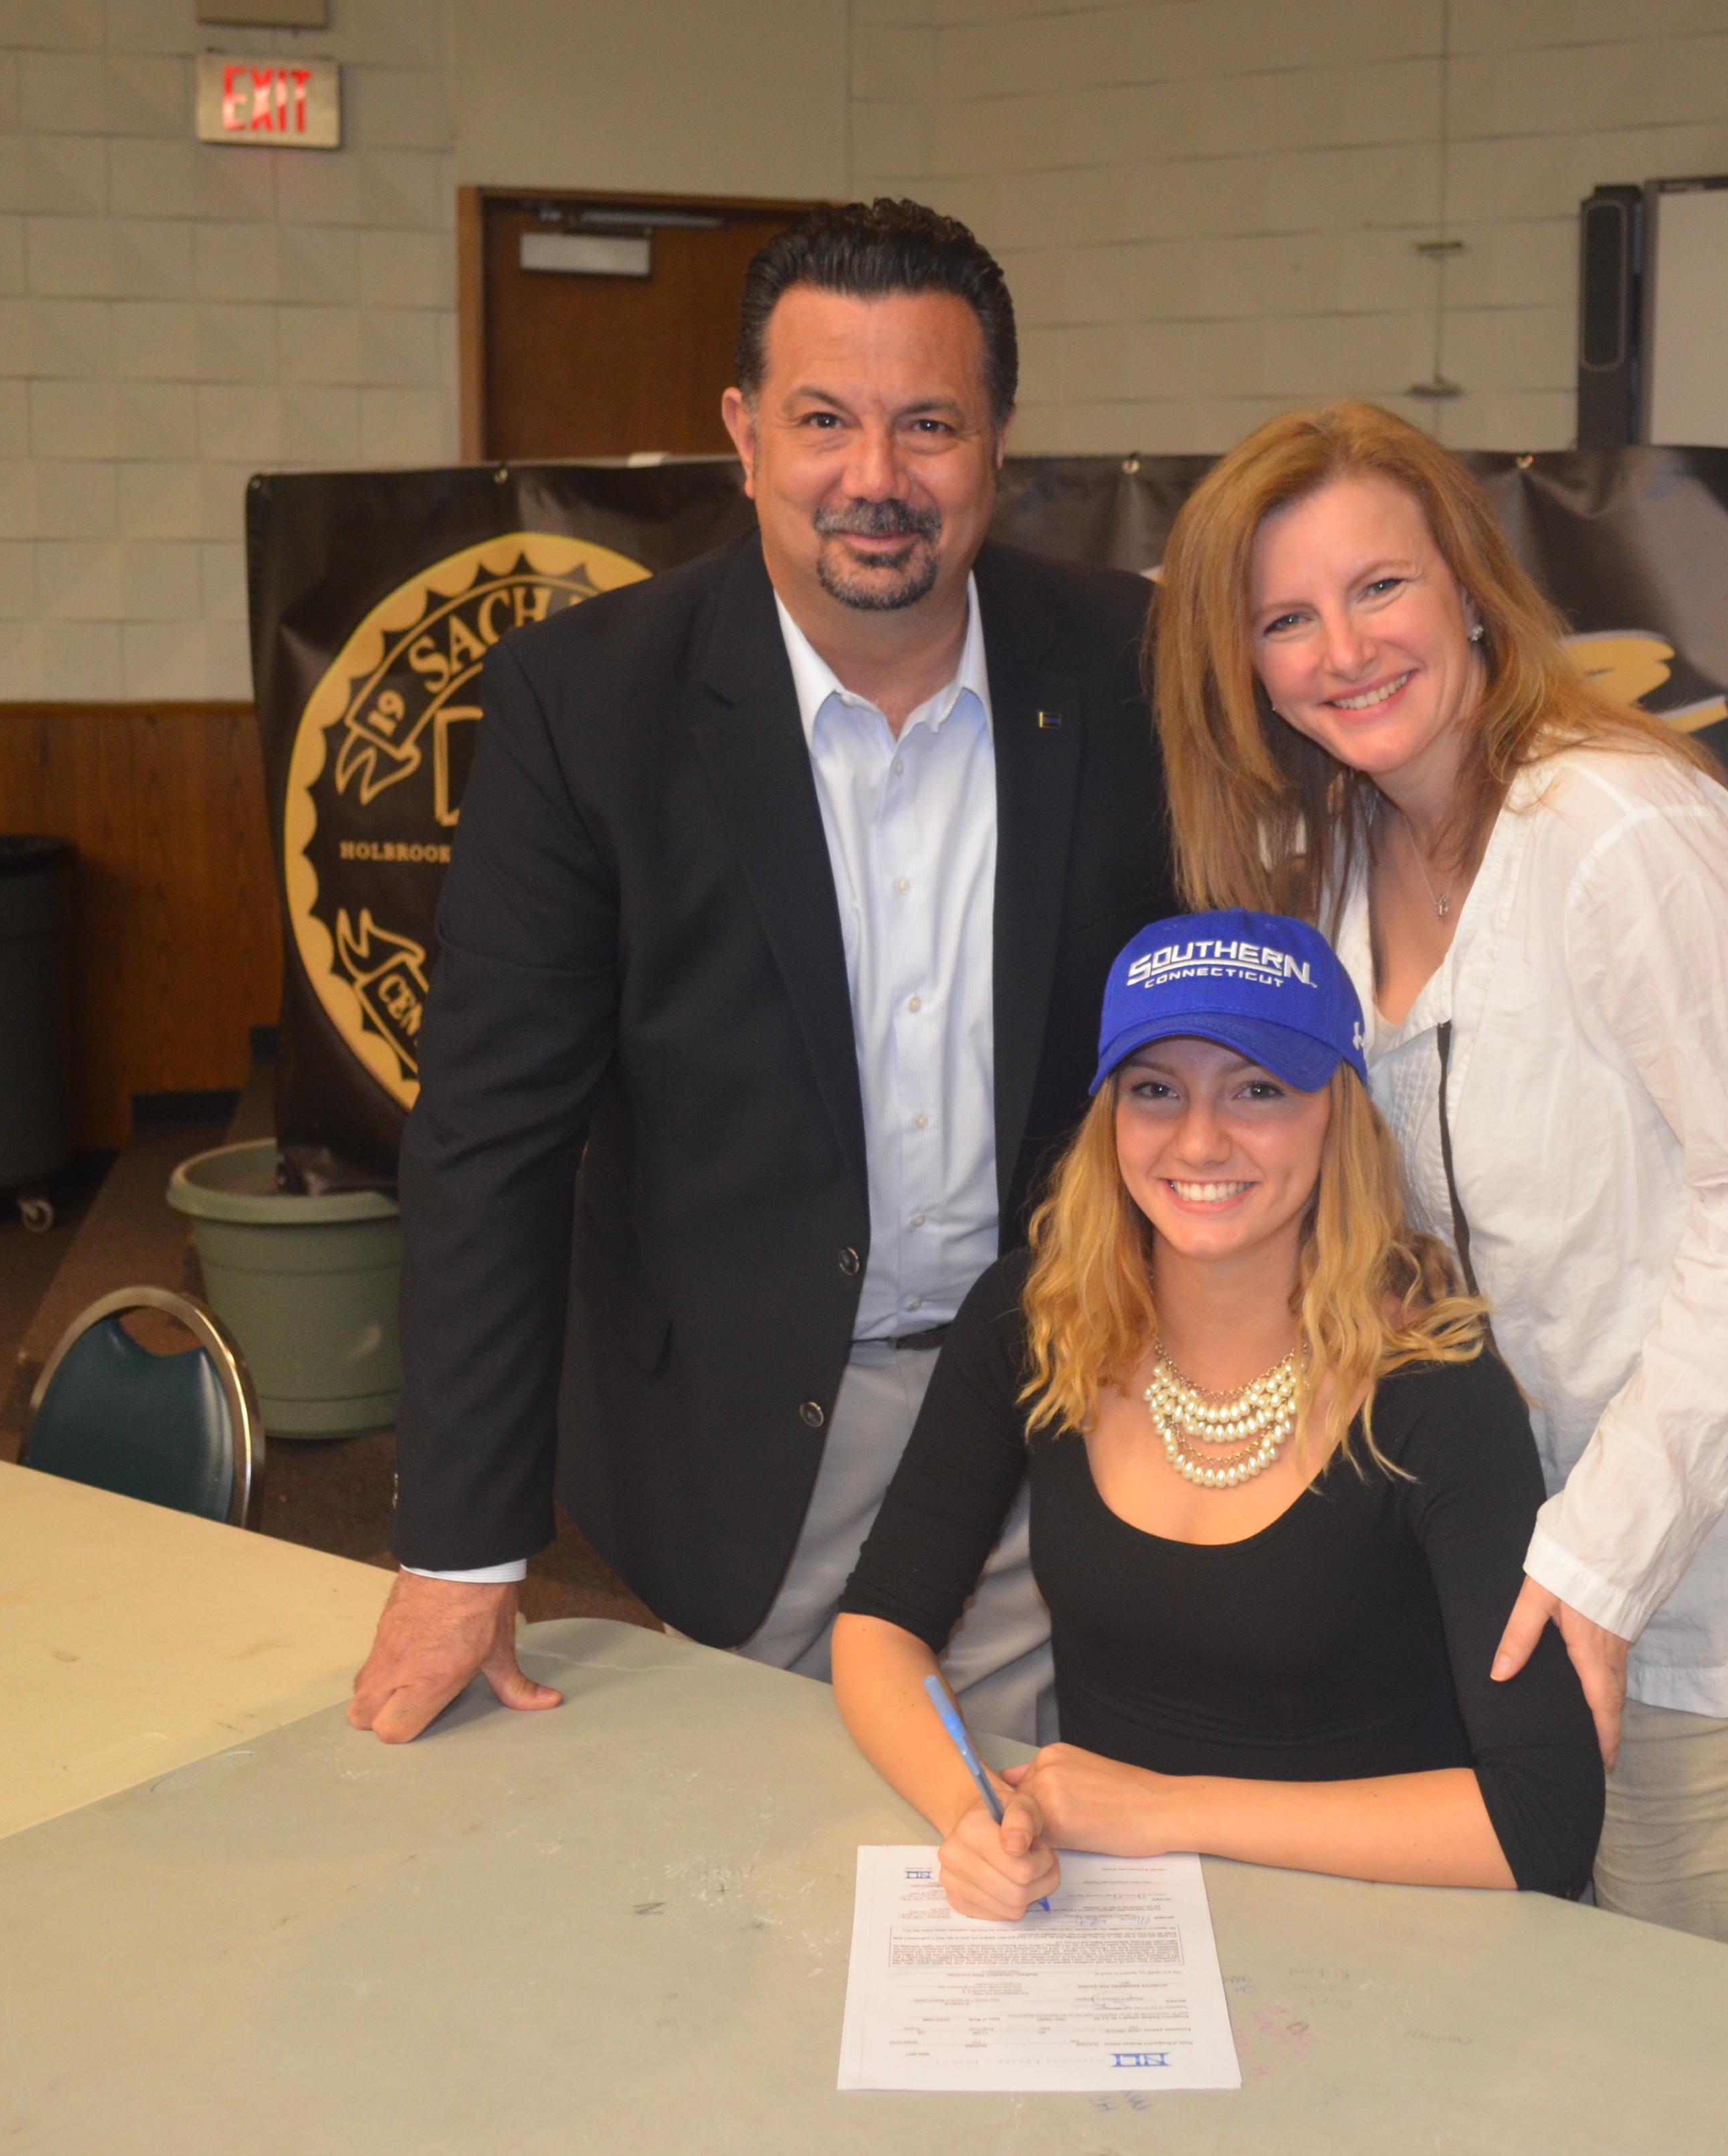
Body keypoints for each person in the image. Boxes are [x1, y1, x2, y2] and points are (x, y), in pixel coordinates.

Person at [1146, 400, 1728, 1974]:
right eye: (1284, 619)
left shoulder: (1616, 830)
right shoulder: (1330, 861)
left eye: (1376, 588)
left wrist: (1593, 1574)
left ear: (1465, 583)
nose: (1341, 651)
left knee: (1709, 2063)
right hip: (1522, 1577)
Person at [347, 200, 1173, 1747]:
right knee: (751, 1842)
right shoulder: (585, 704)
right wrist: (460, 1549)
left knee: (1042, 1839)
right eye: (823, 419)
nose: (875, 477)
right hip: (747, 1438)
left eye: (929, 423)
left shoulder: (1137, 668)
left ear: (999, 442)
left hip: (1070, 1402)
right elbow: (489, 1139)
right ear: (742, 435)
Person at [832, 910, 1604, 1918]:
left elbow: (1544, 1816)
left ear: (1340, 1115)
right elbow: (882, 1624)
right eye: (1155, 1089)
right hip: (1118, 1920)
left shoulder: (1437, 1389)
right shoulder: (1037, 1318)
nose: (1198, 1140)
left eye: (1257, 1089)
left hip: (1384, 1923)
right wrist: (972, 1811)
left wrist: (1170, 1811)